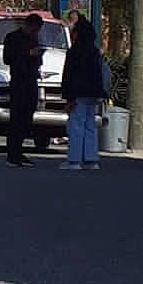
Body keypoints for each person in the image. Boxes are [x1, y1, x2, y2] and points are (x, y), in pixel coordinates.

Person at [59, 15, 107, 171]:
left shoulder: (74, 51)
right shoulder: (94, 52)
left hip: (78, 93)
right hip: (93, 93)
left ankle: (74, 159)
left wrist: (68, 96)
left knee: (76, 125)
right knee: (89, 125)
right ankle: (91, 158)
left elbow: (69, 75)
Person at [2, 12, 44, 165]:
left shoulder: (34, 40)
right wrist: (27, 53)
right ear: (27, 25)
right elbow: (7, 58)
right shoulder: (13, 38)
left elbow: (38, 60)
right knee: (16, 119)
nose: (35, 33)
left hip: (32, 80)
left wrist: (38, 57)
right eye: (33, 29)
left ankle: (19, 151)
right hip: (19, 82)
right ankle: (12, 153)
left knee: (27, 118)